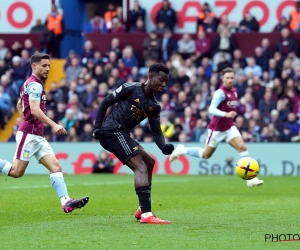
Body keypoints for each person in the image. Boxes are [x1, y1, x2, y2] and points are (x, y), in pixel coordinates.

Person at [0, 53, 89, 213]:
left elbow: (20, 104)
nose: (47, 68)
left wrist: (26, 117)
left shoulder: (30, 83)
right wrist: (53, 124)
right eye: (44, 66)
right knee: (16, 172)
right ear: (34, 66)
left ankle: (66, 201)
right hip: (29, 134)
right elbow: (34, 109)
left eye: (49, 65)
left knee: (55, 167)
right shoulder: (35, 85)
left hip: (37, 134)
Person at [92, 63, 174, 224]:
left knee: (150, 162)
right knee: (140, 167)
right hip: (111, 131)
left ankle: (142, 208)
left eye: (166, 81)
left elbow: (156, 131)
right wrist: (97, 127)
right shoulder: (130, 88)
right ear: (151, 77)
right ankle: (146, 214)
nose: (164, 84)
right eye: (161, 80)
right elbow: (105, 102)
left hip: (122, 133)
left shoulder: (154, 106)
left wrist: (163, 146)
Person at [169, 68, 264, 188]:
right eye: (227, 78)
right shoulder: (220, 92)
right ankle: (182, 150)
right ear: (223, 79)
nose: (230, 80)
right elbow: (211, 109)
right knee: (206, 155)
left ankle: (251, 179)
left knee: (242, 147)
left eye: (232, 78)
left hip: (229, 127)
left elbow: (231, 109)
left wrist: (232, 117)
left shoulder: (234, 91)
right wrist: (226, 115)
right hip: (217, 129)